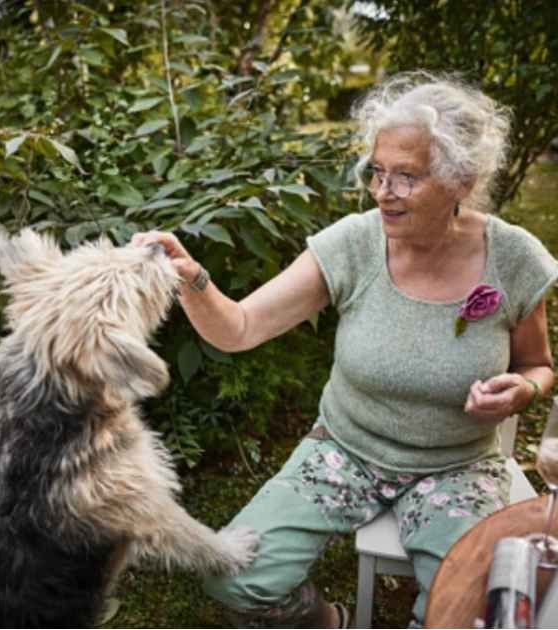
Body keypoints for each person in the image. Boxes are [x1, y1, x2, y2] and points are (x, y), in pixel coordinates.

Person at [132, 72, 558, 627]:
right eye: (377, 172)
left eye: (407, 176)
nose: (384, 191)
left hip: (458, 467)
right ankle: (325, 621)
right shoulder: (354, 243)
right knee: (233, 575)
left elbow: (539, 365)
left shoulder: (514, 259)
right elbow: (237, 328)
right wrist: (191, 279)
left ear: (461, 179)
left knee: (462, 613)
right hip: (345, 449)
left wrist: (522, 389)